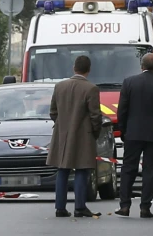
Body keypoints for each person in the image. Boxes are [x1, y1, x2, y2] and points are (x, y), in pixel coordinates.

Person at [116, 53, 153, 218]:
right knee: (151, 171)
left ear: (142, 66)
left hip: (133, 133)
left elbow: (122, 110)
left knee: (128, 169)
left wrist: (124, 130)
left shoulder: (129, 82)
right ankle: (145, 207)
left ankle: (125, 205)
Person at [46, 55, 103, 218]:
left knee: (62, 170)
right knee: (82, 170)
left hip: (62, 134)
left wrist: (62, 125)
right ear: (89, 69)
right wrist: (94, 133)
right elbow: (95, 116)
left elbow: (53, 112)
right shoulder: (91, 89)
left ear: (74, 68)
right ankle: (79, 207)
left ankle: (60, 208)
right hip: (83, 135)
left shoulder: (59, 86)